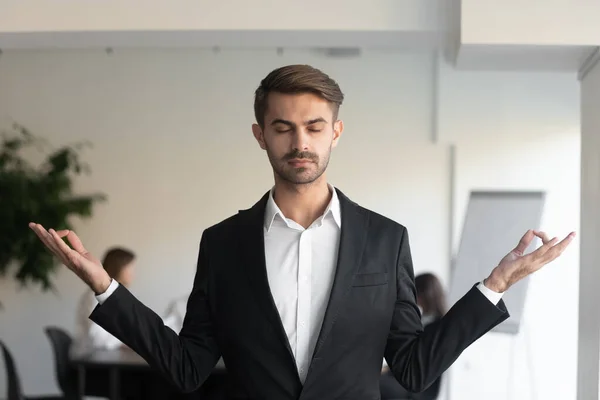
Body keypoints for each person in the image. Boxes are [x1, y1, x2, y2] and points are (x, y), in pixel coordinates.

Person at [29, 64, 575, 400]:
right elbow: (188, 368)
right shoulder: (222, 244)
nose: (300, 143)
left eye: (314, 127)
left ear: (335, 133)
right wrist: (105, 286)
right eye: (283, 128)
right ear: (260, 136)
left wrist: (494, 286)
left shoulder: (386, 240)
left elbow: (412, 367)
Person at [380, 273, 447, 400]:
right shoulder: (424, 321)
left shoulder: (436, 326)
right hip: (407, 380)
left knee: (370, 383)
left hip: (416, 390)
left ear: (423, 294)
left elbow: (417, 361)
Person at [71, 247, 135, 357]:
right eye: (130, 268)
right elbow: (97, 338)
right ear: (119, 267)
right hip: (89, 361)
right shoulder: (95, 296)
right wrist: (123, 343)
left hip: (99, 358)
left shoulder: (112, 296)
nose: (133, 273)